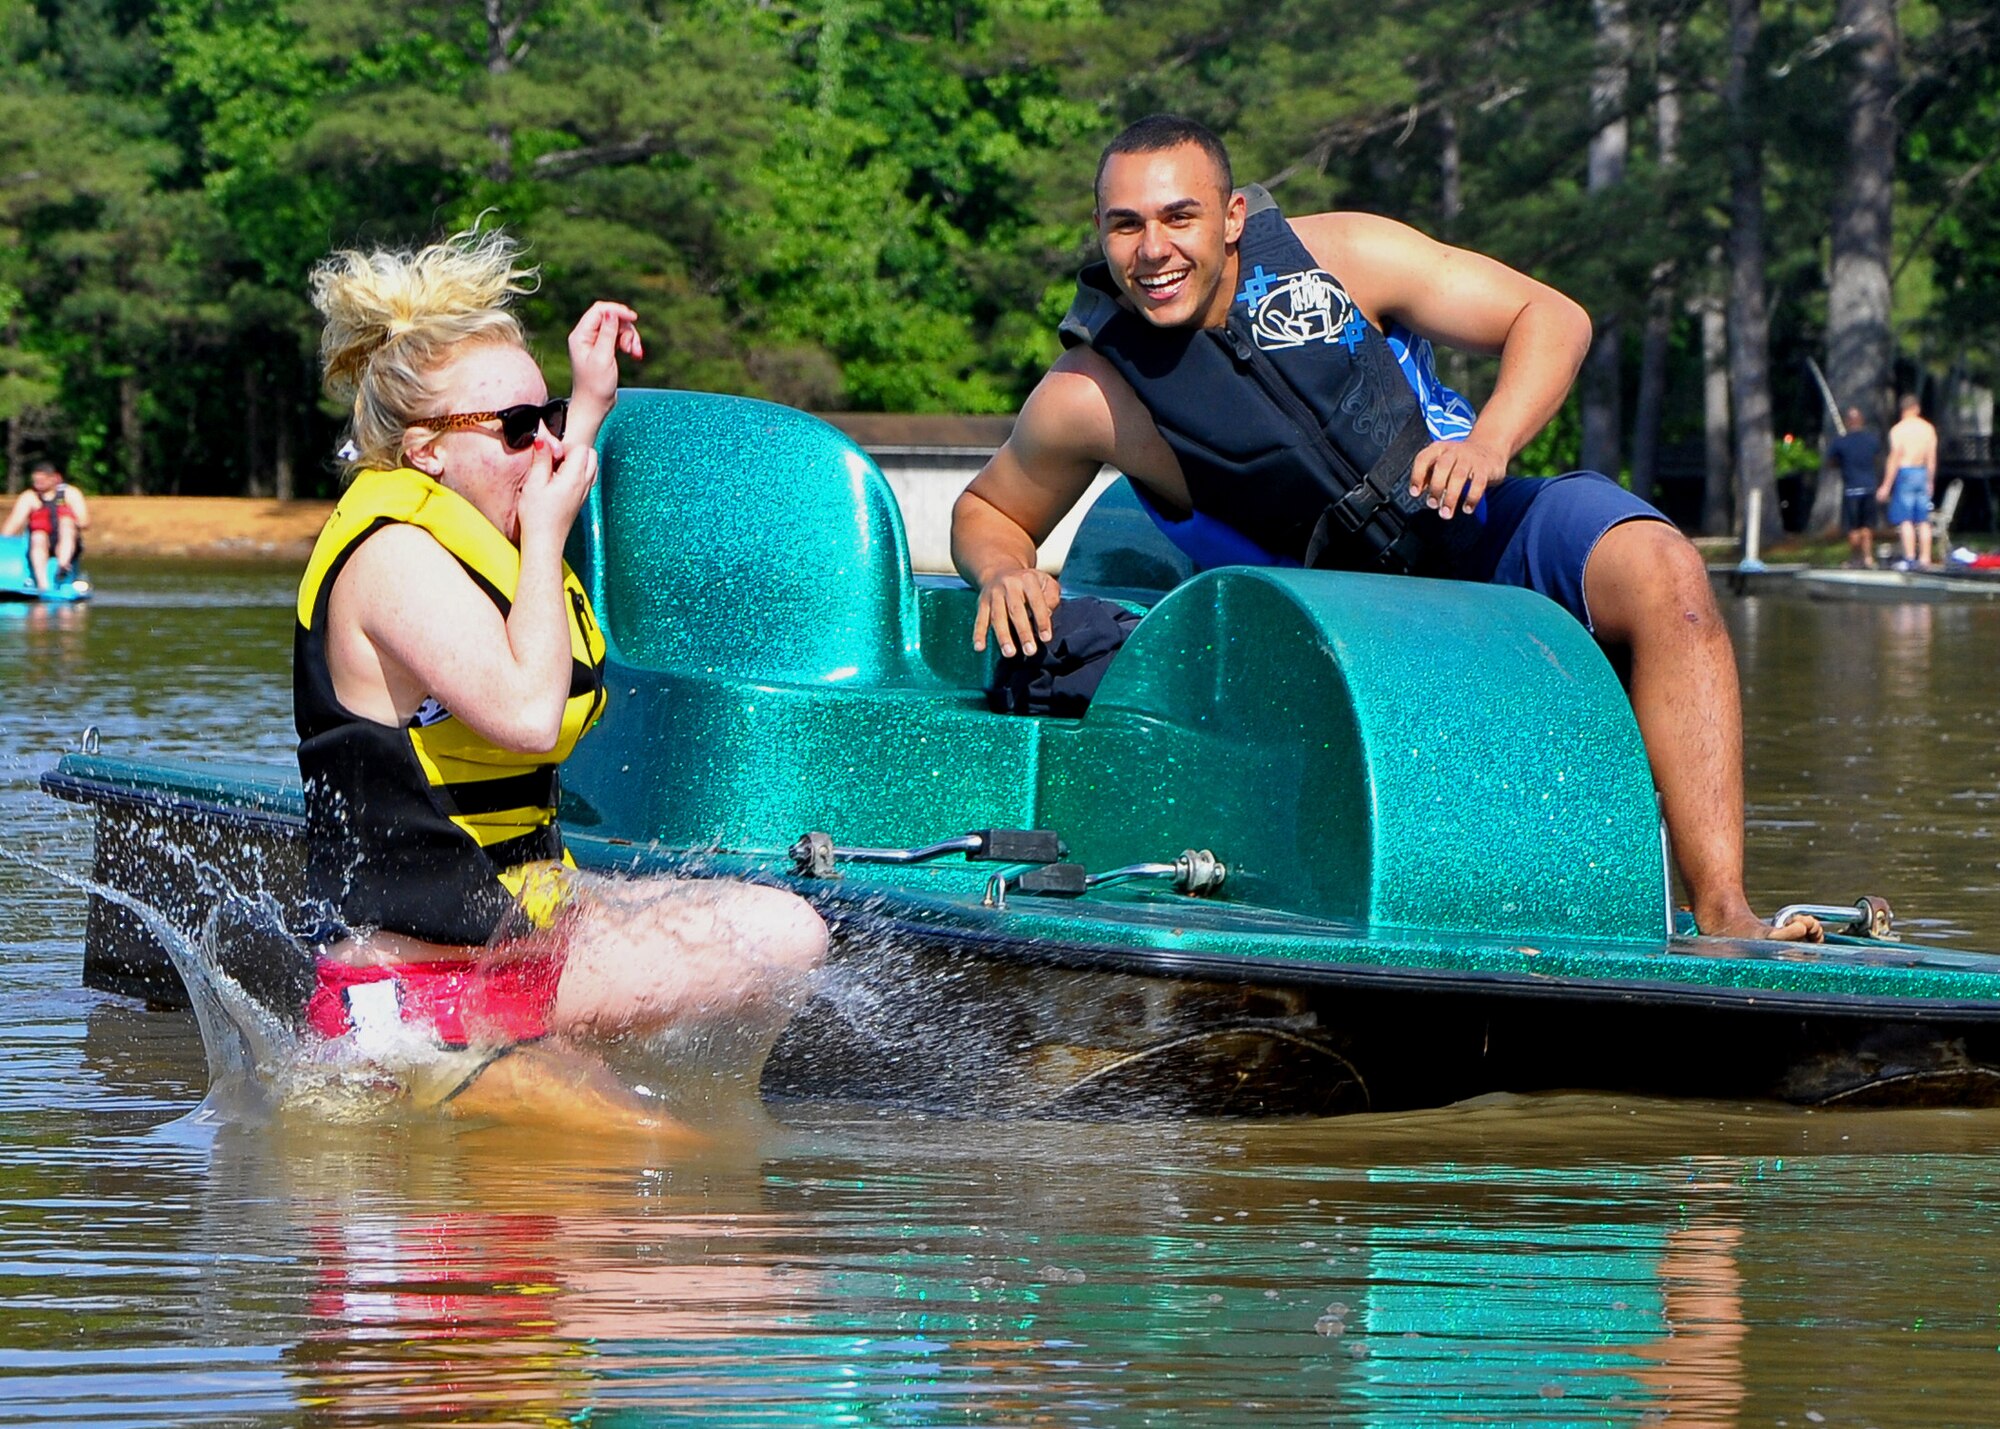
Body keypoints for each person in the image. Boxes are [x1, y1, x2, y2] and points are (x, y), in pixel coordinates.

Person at [949, 114, 1818, 943]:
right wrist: (1004, 571)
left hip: (1470, 529)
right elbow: (989, 511)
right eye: (1125, 225)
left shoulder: (1345, 255)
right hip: (1328, 620)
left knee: (1663, 567)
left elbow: (1551, 317)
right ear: (1100, 235)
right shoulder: (1090, 395)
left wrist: (1488, 441)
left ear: (1234, 216)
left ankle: (1725, 913)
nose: (1154, 250)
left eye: (1180, 216)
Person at [298, 226, 827, 1129]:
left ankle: (556, 1064)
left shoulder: (464, 511)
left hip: (506, 941)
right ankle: (483, 1074)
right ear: (424, 450)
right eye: (515, 428)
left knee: (786, 931)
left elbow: (513, 515)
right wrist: (547, 534)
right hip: (422, 987)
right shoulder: (391, 559)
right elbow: (531, 716)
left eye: (542, 420)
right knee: (669, 1168)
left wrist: (587, 402)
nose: (541, 449)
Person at [1, 460, 88, 589]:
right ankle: (43, 584)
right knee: (38, 534)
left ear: (54, 478)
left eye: (42, 481)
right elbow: (10, 528)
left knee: (66, 523)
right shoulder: (30, 497)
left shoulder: (70, 493)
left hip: (67, 541)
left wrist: (67, 515)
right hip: (40, 544)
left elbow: (85, 522)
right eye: (36, 482)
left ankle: (63, 566)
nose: (38, 485)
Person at [1875, 393, 1938, 570]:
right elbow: (1931, 457)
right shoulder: (1928, 429)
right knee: (1923, 519)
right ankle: (1925, 558)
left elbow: (1895, 457)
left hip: (1905, 473)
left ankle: (1910, 558)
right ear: (1916, 408)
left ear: (1902, 410)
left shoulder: (1898, 430)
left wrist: (1886, 485)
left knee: (1906, 519)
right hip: (1922, 472)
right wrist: (1930, 480)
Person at [1824, 407, 1882, 568]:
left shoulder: (1840, 442)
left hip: (1851, 489)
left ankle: (1855, 559)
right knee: (1867, 526)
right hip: (1869, 488)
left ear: (1847, 422)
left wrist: (1842, 463)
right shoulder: (1872, 440)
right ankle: (1868, 558)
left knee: (1853, 527)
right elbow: (1876, 459)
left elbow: (1830, 463)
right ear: (1861, 421)